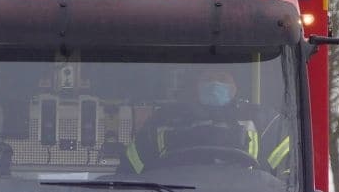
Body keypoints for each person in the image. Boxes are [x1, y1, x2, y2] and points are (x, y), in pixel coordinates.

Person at [123, 68, 292, 175]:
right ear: (195, 86)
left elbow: (288, 176)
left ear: (236, 86)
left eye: (222, 78)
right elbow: (130, 172)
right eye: (208, 79)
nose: (215, 84)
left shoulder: (265, 121)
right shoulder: (164, 120)